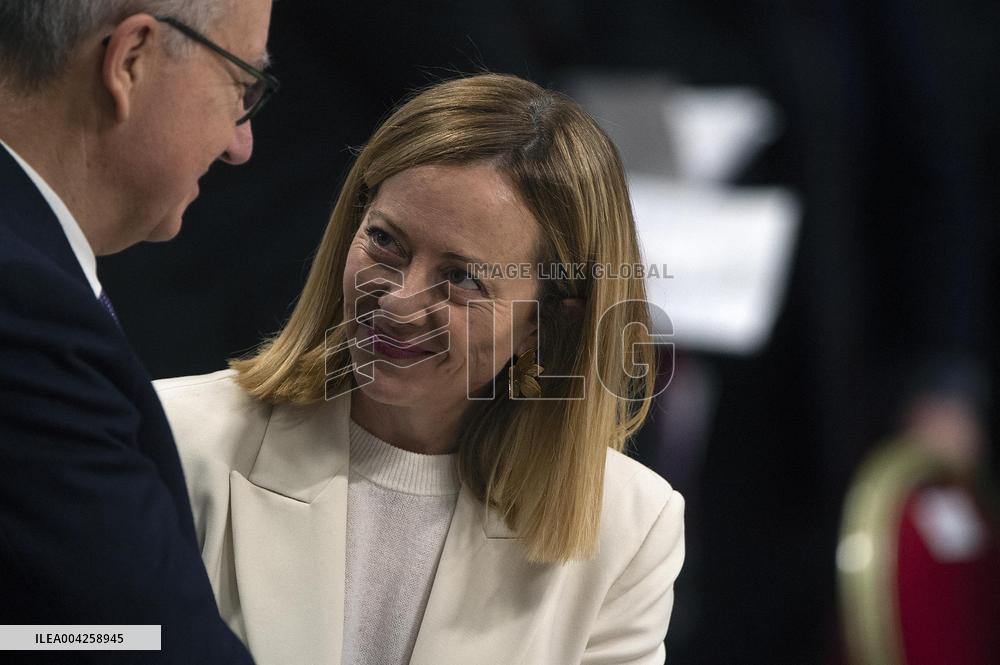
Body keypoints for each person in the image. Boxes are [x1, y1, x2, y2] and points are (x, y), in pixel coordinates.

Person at [155, 73, 685, 665]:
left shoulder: (630, 526)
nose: (399, 302)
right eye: (385, 242)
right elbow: (51, 638)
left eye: (462, 278)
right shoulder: (173, 437)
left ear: (547, 322)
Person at [0, 1, 274, 661]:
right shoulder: (27, 311)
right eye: (242, 87)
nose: (242, 142)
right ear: (130, 60)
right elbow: (150, 642)